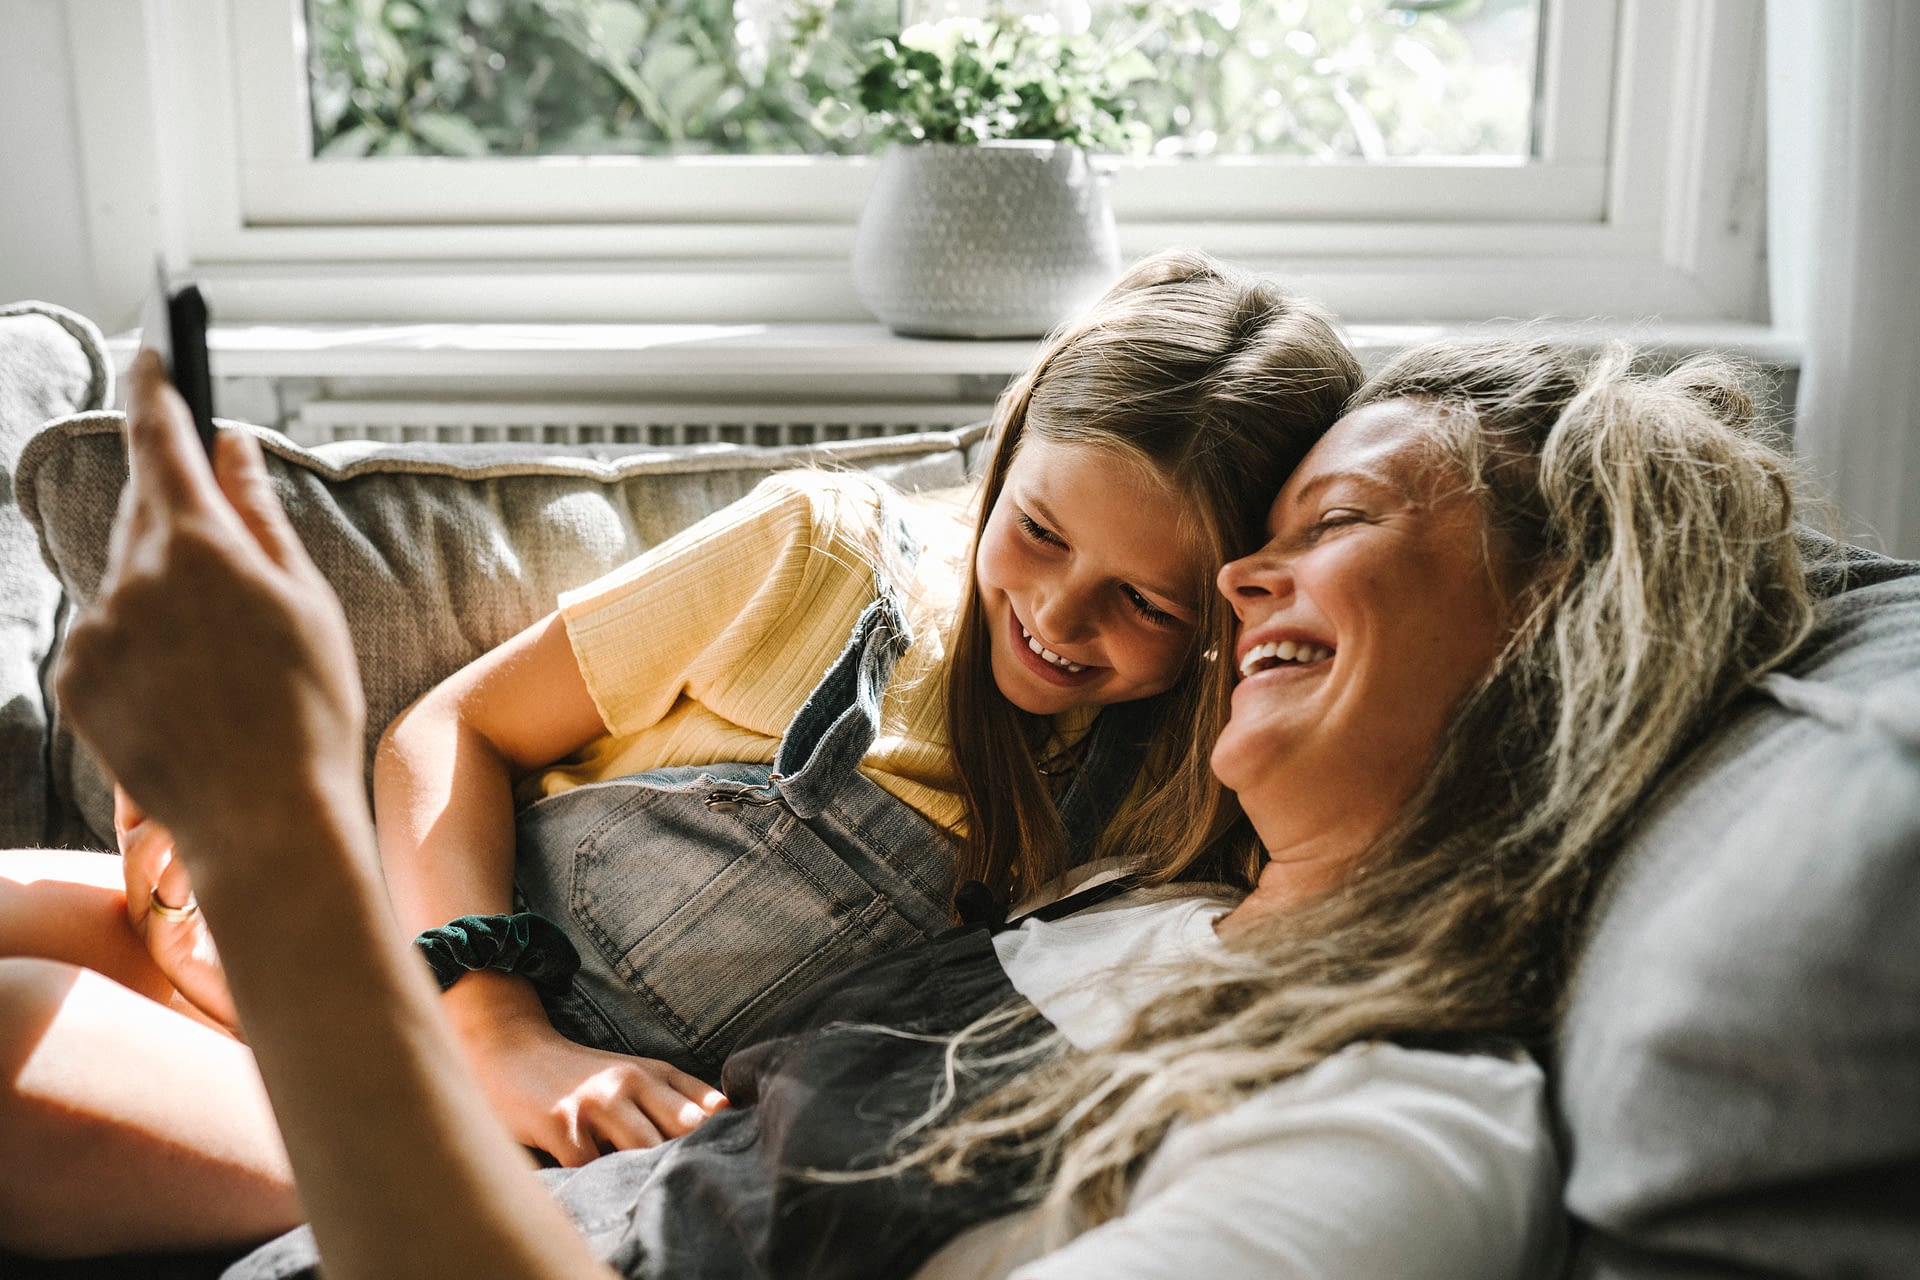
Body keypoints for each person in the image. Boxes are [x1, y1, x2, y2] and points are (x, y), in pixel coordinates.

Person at [5, 330, 1818, 1278]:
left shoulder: (1395, 1126)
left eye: (1318, 540)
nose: (1241, 602)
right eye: (1260, 559)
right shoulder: (1161, 903)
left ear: (1561, 636)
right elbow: (466, 750)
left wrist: (277, 847)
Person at [0, 250, 1362, 1250]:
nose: (1057, 617)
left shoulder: (1185, 800)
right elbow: (449, 727)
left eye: (1142, 603)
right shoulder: (826, 559)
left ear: (1236, 610)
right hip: (388, 959)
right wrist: (493, 1021)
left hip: (440, 1130)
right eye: (1041, 533)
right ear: (1007, 456)